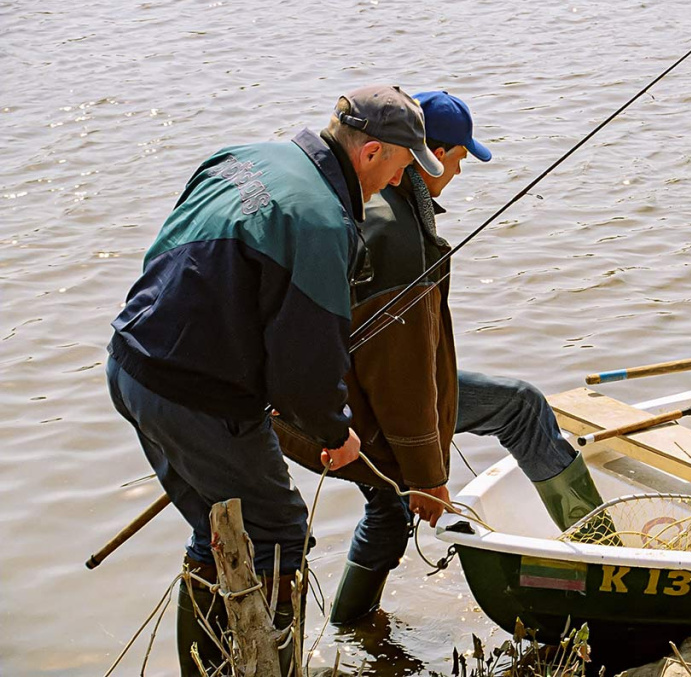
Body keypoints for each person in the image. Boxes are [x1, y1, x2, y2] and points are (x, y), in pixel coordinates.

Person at [105, 85, 443, 676]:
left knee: (221, 520)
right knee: (281, 533)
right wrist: (335, 432)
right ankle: (267, 670)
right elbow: (304, 372)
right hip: (196, 395)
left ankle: (203, 670)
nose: (396, 182)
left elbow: (180, 261)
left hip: (131, 363)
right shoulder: (319, 221)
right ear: (370, 153)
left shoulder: (243, 157)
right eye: (399, 165)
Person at [275, 91, 612, 625]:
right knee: (521, 407)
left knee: (386, 510)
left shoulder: (379, 202)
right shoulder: (395, 231)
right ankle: (609, 555)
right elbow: (400, 377)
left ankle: (350, 627)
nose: (456, 174)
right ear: (425, 154)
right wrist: (427, 473)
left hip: (305, 402)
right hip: (347, 411)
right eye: (456, 161)